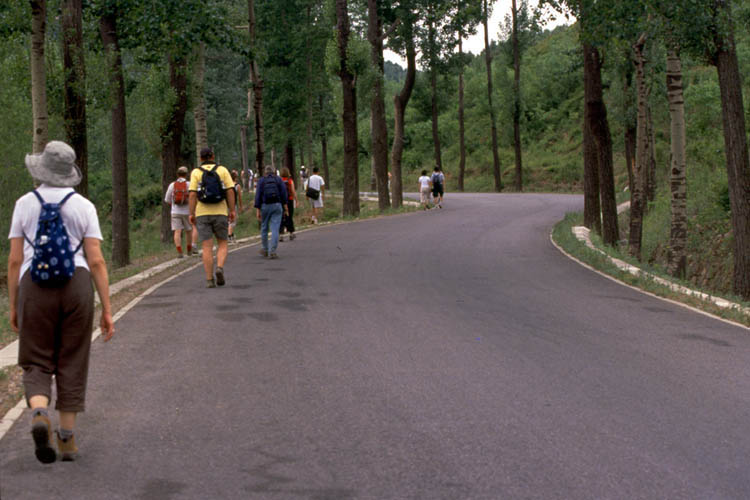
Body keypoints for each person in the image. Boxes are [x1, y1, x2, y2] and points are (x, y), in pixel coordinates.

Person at [8, 141, 115, 464]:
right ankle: (66, 439)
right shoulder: (83, 206)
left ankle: (39, 410)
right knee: (72, 358)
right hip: (77, 285)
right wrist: (107, 309)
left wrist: (14, 305)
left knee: (36, 358)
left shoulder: (24, 204)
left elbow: (14, 260)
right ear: (69, 172)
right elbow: (96, 260)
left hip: (34, 286)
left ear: (40, 169)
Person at [189, 147, 236, 288]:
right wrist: (232, 210)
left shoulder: (196, 172)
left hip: (202, 213)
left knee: (207, 247)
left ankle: (209, 280)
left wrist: (191, 213)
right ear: (213, 156)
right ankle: (219, 267)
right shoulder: (222, 170)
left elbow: (192, 195)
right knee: (222, 243)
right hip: (220, 212)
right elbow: (230, 191)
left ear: (201, 158)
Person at [254, 165, 288, 259]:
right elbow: (284, 193)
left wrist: (258, 209)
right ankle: (272, 251)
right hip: (277, 205)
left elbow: (258, 195)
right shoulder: (278, 180)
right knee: (275, 229)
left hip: (265, 206)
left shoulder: (261, 180)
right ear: (274, 172)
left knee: (264, 227)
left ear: (265, 172)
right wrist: (285, 206)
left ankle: (265, 249)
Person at [164, 166, 193, 257]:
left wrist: (174, 205)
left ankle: (179, 251)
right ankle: (189, 250)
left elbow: (167, 200)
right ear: (186, 174)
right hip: (187, 212)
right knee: (188, 231)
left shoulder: (172, 185)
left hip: (175, 212)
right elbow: (193, 197)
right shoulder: (189, 184)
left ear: (177, 174)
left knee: (177, 231)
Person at [279, 167, 297, 241]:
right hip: (289, 200)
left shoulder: (279, 181)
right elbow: (293, 191)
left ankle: (281, 234)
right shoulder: (290, 181)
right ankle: (291, 233)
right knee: (289, 216)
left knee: (281, 217)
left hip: (281, 201)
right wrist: (296, 199)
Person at [228, 170, 243, 244]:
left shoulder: (227, 185)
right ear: (236, 178)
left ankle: (231, 235)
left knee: (229, 221)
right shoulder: (237, 186)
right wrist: (241, 206)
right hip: (234, 205)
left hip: (226, 206)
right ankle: (229, 236)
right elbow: (240, 197)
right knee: (233, 222)